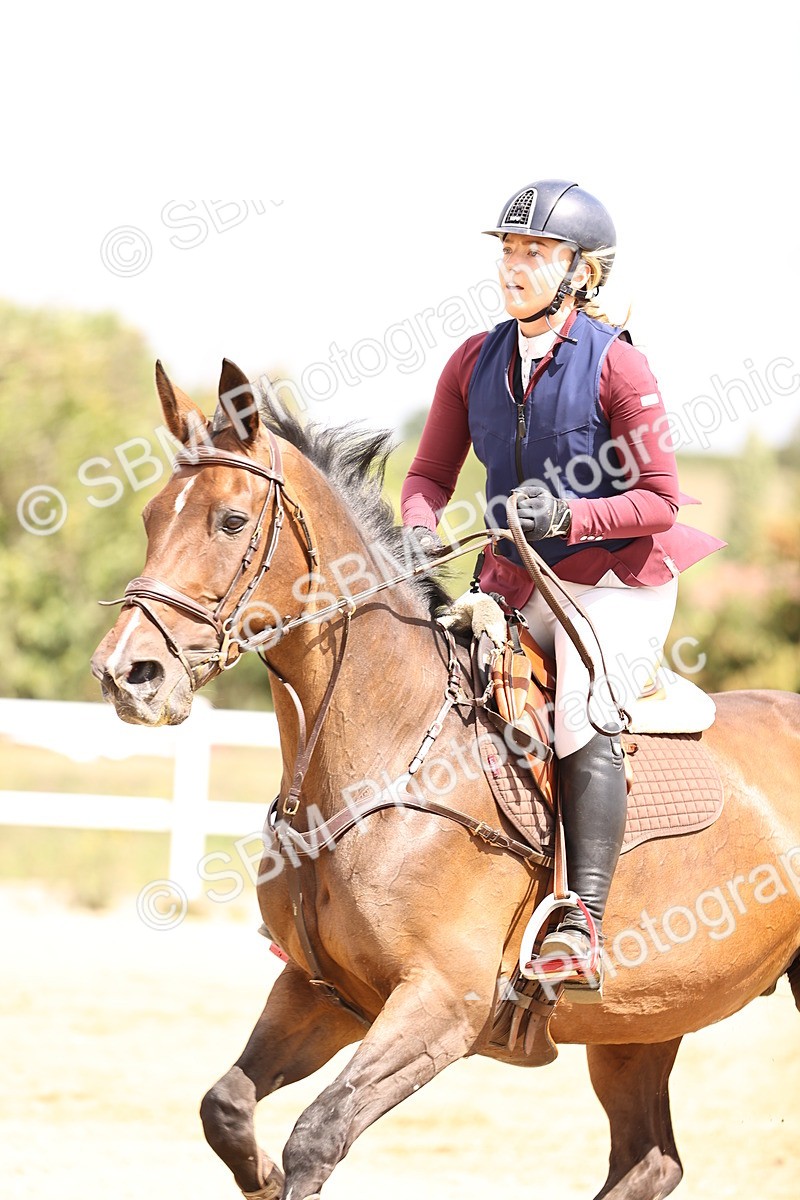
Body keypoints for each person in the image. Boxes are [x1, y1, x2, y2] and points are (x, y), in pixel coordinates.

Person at [401, 179, 724, 998]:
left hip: (614, 578)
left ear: (581, 271)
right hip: (513, 577)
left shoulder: (618, 362)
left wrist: (573, 516)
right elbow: (430, 475)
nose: (513, 267)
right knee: (431, 689)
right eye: (508, 251)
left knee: (581, 706)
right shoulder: (474, 361)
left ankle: (581, 919)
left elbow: (658, 497)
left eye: (534, 253)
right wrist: (416, 524)